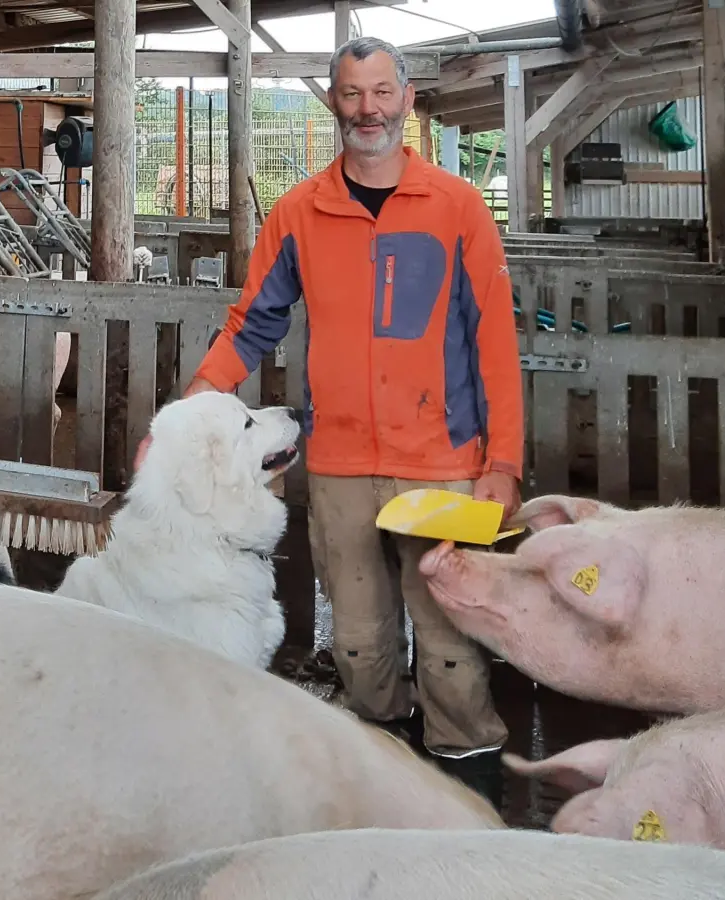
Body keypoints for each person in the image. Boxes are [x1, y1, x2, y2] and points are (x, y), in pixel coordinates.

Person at [181, 36, 522, 808]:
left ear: (406, 99)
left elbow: (495, 341)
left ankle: (474, 800)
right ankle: (390, 786)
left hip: (442, 460)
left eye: (380, 92)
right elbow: (251, 323)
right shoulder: (303, 211)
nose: (367, 108)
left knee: (450, 650)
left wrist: (501, 460)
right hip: (338, 464)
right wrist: (191, 413)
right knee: (360, 643)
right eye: (350, 93)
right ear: (333, 102)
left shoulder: (457, 207)